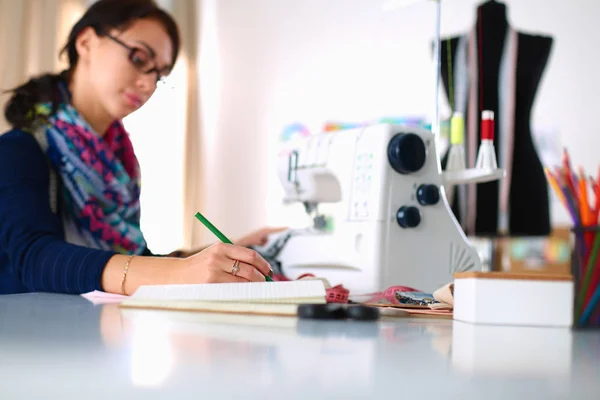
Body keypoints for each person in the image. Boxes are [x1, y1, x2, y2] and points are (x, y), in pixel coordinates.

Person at [0, 0, 282, 295]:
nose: (148, 84)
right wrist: (180, 271)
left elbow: (139, 264)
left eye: (158, 74)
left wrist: (232, 254)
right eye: (139, 58)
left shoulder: (118, 166)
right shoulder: (19, 150)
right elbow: (36, 260)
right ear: (86, 42)